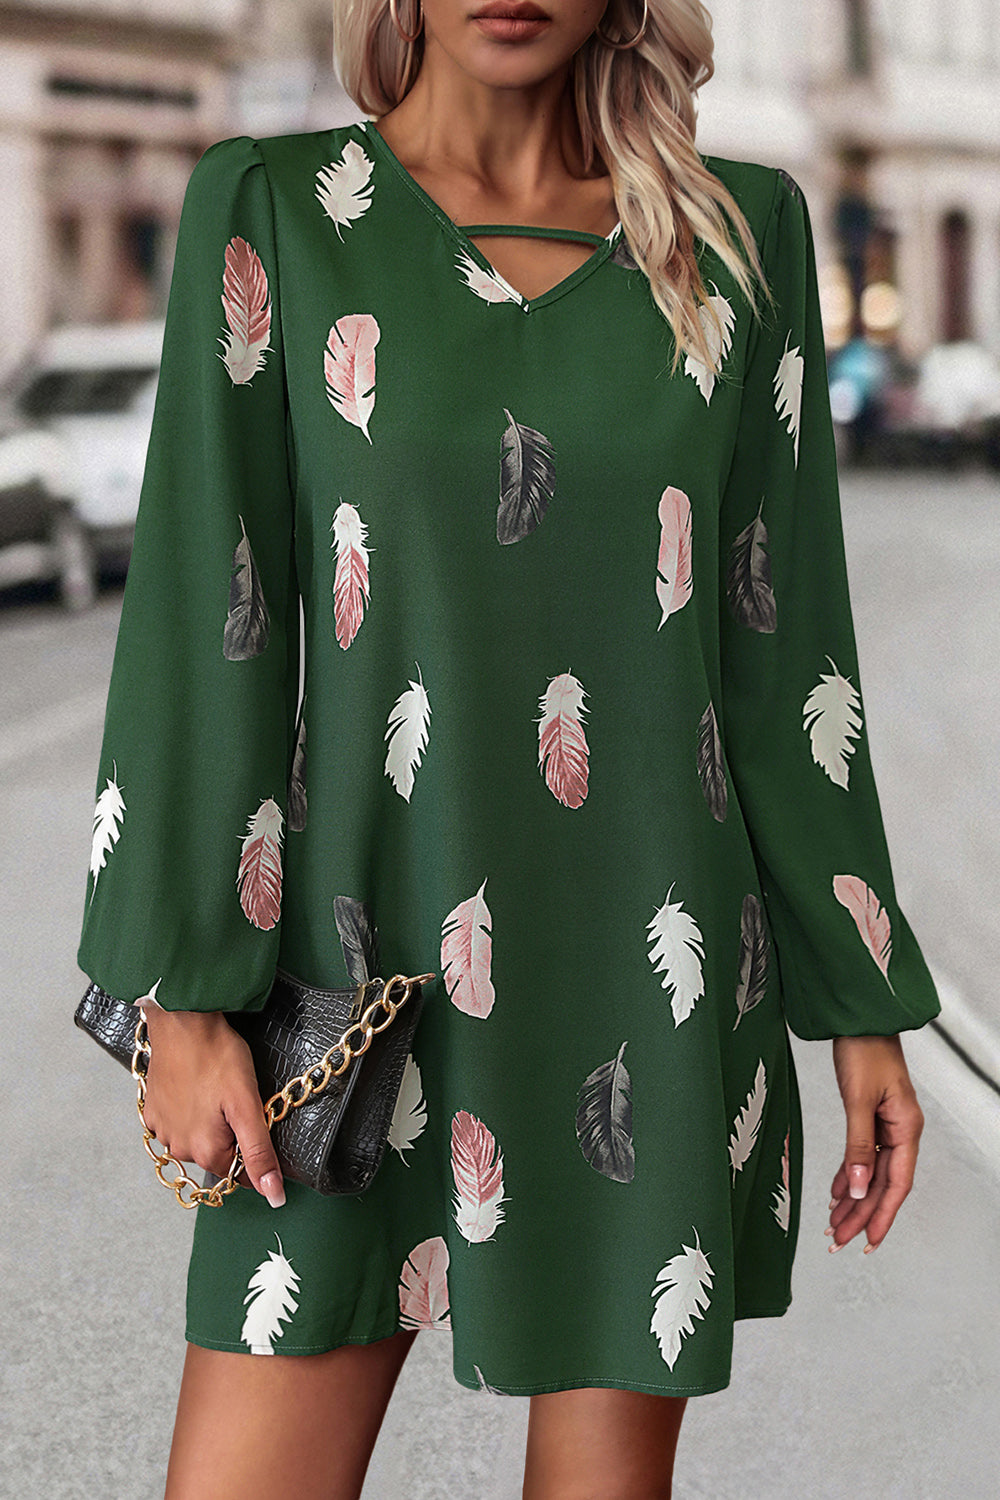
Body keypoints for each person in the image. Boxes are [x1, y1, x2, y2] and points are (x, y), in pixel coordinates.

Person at [76, 1, 942, 1496]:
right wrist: (187, 991)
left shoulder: (743, 239)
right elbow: (204, 617)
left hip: (648, 974)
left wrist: (857, 995)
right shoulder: (276, 212)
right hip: (351, 972)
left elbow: (781, 640)